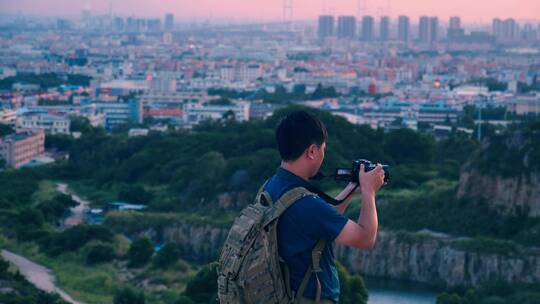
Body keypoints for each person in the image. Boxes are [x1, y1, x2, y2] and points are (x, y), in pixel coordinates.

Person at [263, 110, 385, 304]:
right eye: (323, 149)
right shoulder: (307, 204)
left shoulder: (272, 185)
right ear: (312, 151)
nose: (323, 155)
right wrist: (369, 192)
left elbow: (321, 220)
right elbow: (365, 238)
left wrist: (351, 190)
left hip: (283, 295)